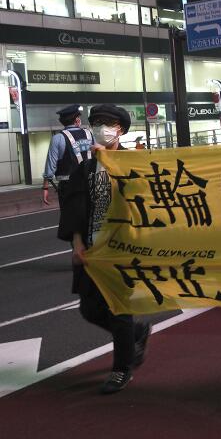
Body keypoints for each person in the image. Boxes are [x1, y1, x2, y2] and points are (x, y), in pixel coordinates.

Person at [57, 104, 150, 394]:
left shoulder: (135, 163)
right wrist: (77, 244)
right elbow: (74, 210)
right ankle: (137, 332)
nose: (100, 127)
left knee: (118, 309)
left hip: (124, 248)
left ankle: (121, 369)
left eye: (106, 123)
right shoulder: (85, 168)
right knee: (90, 308)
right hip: (93, 250)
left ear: (120, 129)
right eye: (95, 122)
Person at [42, 104, 94, 206]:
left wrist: (45, 187)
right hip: (89, 183)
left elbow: (50, 165)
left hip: (67, 185)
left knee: (69, 217)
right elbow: (97, 155)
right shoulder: (89, 134)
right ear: (77, 120)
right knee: (88, 215)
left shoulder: (58, 138)